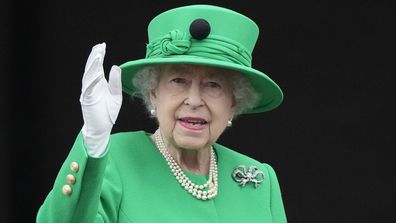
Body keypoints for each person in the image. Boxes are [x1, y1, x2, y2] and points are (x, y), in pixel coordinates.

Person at [36, 4, 287, 223]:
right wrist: (93, 140)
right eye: (178, 80)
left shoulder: (259, 180)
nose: (194, 100)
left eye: (213, 85)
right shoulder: (113, 160)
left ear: (234, 103)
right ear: (153, 92)